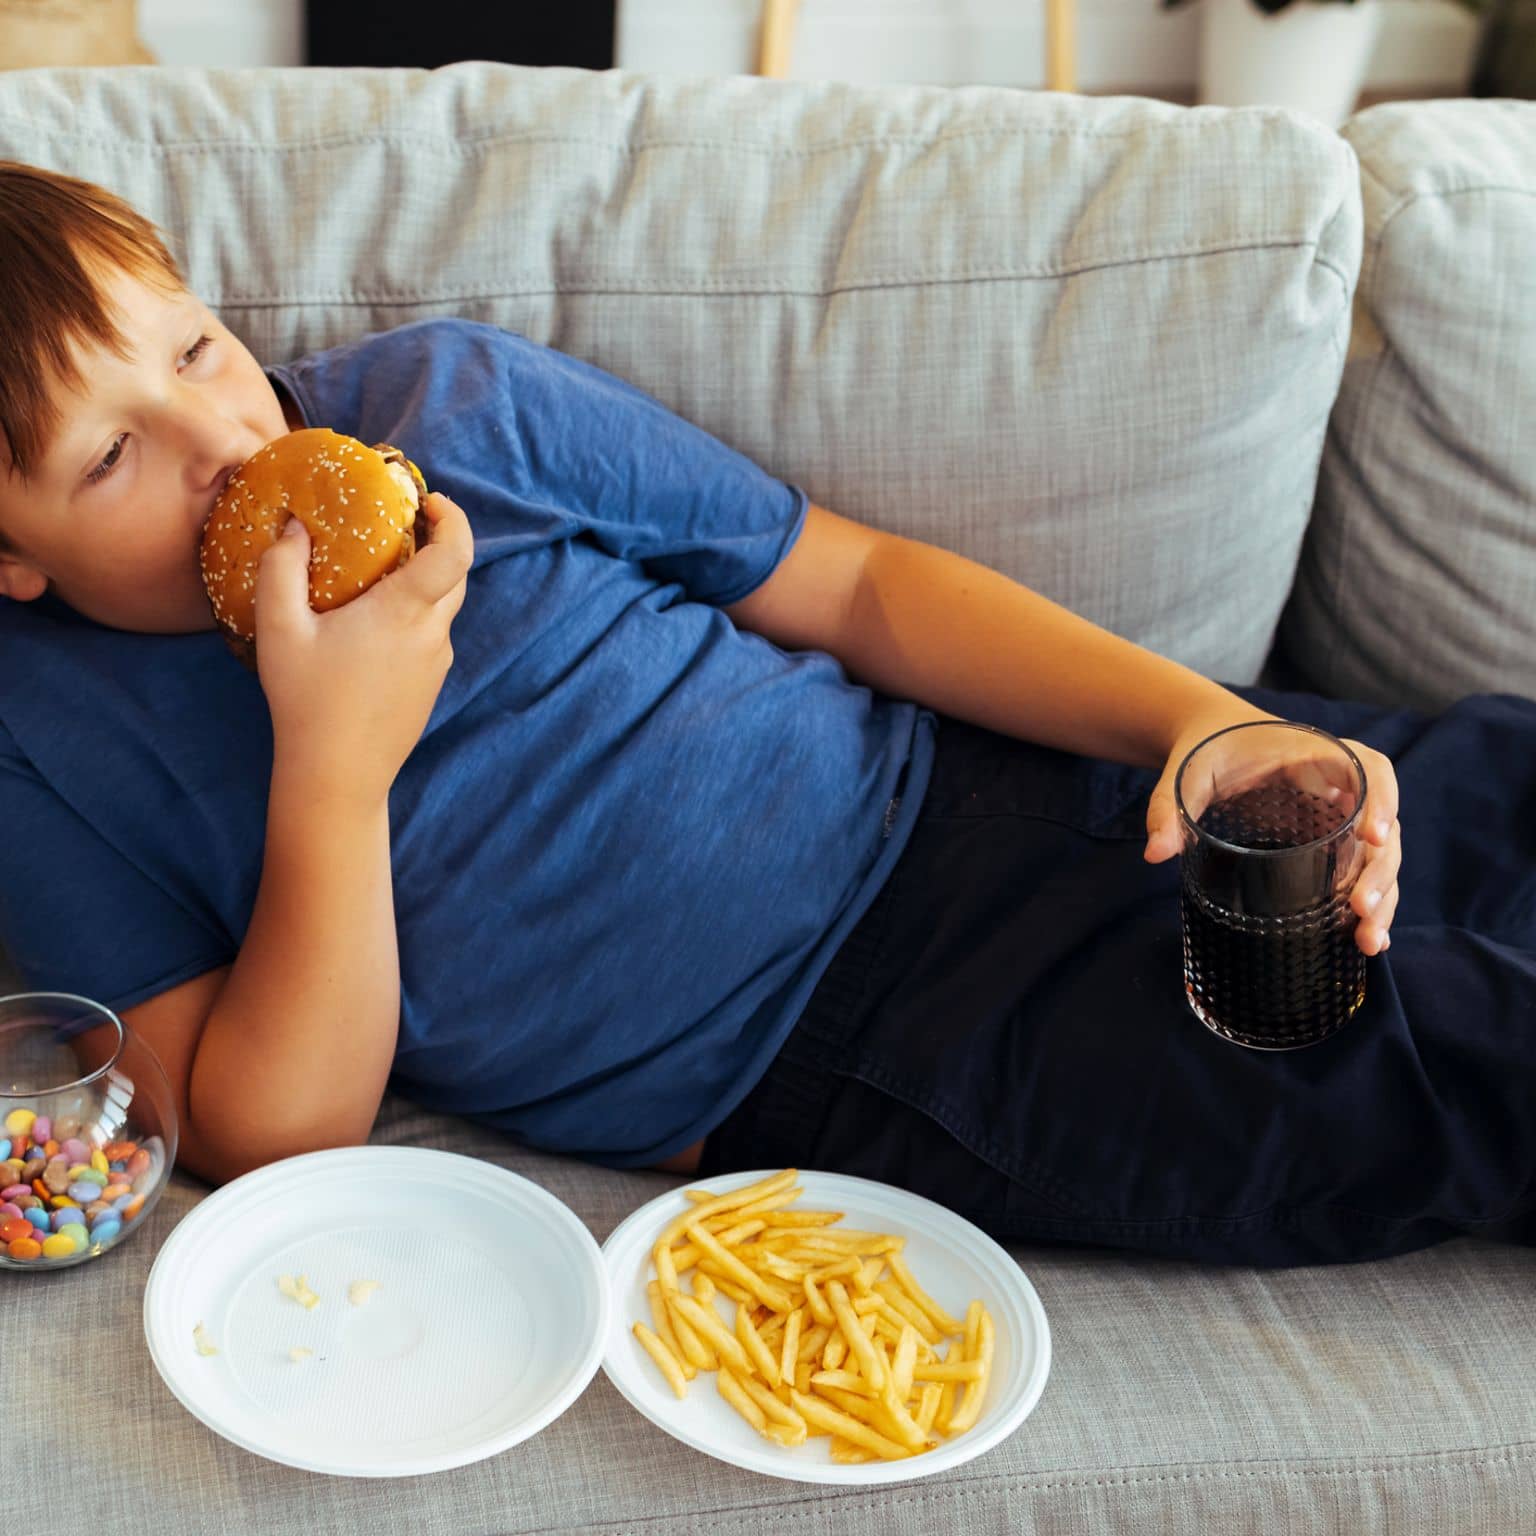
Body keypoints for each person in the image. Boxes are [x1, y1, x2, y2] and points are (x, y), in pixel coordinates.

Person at [0, 161, 1531, 1269]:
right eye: (109, 457)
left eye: (196, 346)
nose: (221, 434)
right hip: (858, 1047)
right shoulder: (41, 741)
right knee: (1449, 1061)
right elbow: (266, 1137)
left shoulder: (449, 407)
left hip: (973, 772)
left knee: (1481, 788)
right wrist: (334, 769)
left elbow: (857, 586)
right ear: (12, 556)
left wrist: (1198, 721)